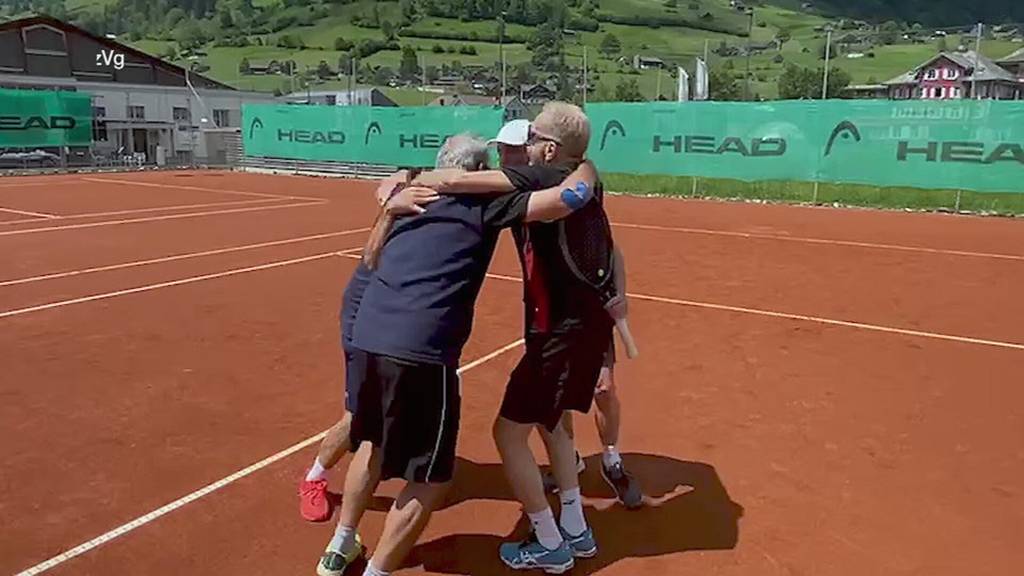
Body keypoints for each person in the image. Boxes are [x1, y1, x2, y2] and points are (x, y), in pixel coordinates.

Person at [316, 134, 599, 576]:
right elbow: (563, 201)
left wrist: (404, 177)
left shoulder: (408, 193)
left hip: (369, 332)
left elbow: (376, 240)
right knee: (432, 480)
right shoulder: (485, 204)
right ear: (480, 172)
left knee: (370, 444)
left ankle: (340, 546)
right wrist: (587, 170)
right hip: (422, 350)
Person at [412, 102, 622, 573]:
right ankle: (576, 527)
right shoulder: (584, 176)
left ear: (548, 149)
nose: (520, 151)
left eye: (529, 141)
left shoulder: (540, 177)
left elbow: (461, 182)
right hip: (583, 329)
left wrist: (418, 180)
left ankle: (549, 541)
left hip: (558, 335)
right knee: (554, 425)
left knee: (508, 435)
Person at [487, 119, 643, 511]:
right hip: (543, 312)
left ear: (537, 151)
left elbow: (610, 246)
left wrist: (620, 293)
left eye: (512, 149)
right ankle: (569, 459)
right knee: (553, 400)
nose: (504, 157)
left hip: (589, 310)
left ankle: (611, 458)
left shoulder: (569, 186)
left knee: (603, 388)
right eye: (500, 150)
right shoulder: (518, 189)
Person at [299, 170, 425, 523]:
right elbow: (387, 193)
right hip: (365, 316)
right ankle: (314, 478)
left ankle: (385, 455)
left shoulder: (424, 203)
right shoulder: (400, 209)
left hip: (390, 316)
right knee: (358, 413)